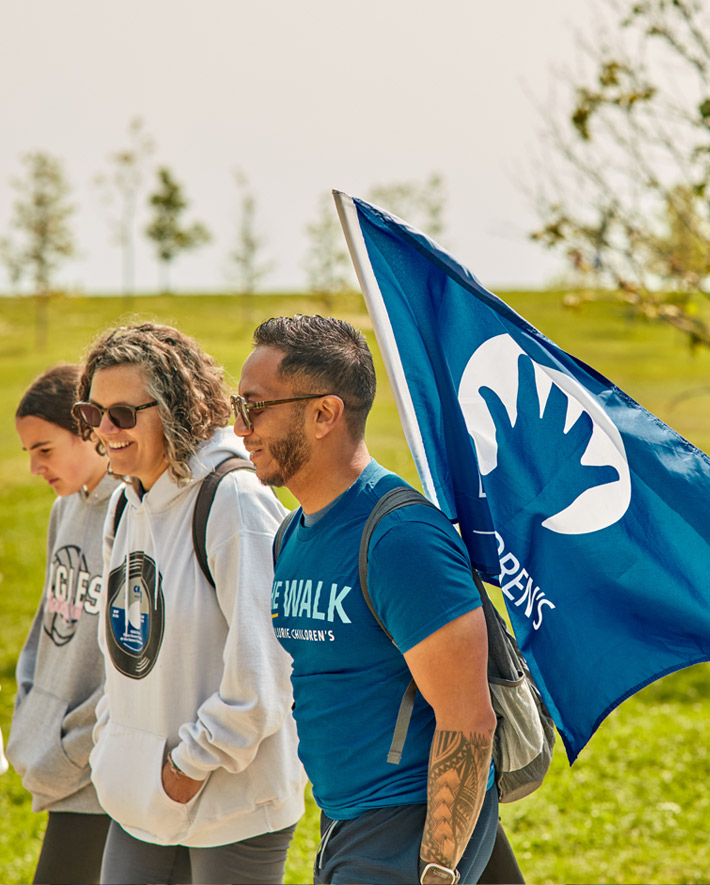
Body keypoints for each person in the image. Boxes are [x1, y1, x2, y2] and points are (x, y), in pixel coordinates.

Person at [234, 314, 500, 885]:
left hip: (404, 827)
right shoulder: (293, 534)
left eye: (255, 407)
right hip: (344, 823)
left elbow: (469, 721)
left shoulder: (400, 539)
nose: (241, 428)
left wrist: (436, 866)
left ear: (324, 413)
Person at [75, 322, 305, 885]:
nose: (105, 430)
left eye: (123, 414)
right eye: (92, 413)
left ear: (176, 406)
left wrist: (185, 768)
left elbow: (266, 673)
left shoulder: (234, 501)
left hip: (232, 806)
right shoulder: (126, 504)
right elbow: (123, 652)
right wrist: (117, 745)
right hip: (139, 796)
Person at [8, 364, 113, 884]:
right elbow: (48, 625)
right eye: (27, 452)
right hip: (57, 756)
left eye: (44, 450)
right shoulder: (63, 508)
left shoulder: (131, 510)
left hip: (101, 768)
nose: (33, 468)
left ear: (90, 434)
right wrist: (28, 711)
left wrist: (73, 749)